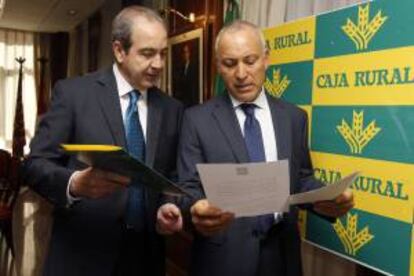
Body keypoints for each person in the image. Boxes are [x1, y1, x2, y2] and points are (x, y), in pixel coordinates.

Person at [177, 20, 354, 276]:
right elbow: (187, 187)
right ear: (218, 66)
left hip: (282, 254)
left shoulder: (294, 118)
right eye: (229, 63)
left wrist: (326, 196)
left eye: (250, 61)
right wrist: (196, 207)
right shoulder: (196, 120)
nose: (241, 74)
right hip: (223, 256)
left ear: (266, 59)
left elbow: (301, 179)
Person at [24, 6, 183, 276]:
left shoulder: (172, 109)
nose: (158, 64)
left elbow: (171, 175)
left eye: (163, 53)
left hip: (146, 258)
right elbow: (34, 165)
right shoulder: (74, 94)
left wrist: (169, 206)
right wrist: (74, 184)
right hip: (83, 255)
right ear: (119, 50)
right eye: (147, 53)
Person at [172, 43, 199, 107]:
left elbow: (194, 84)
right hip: (183, 99)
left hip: (192, 99)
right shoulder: (182, 66)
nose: (185, 54)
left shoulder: (194, 66)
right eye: (184, 52)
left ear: (190, 53)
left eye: (187, 52)